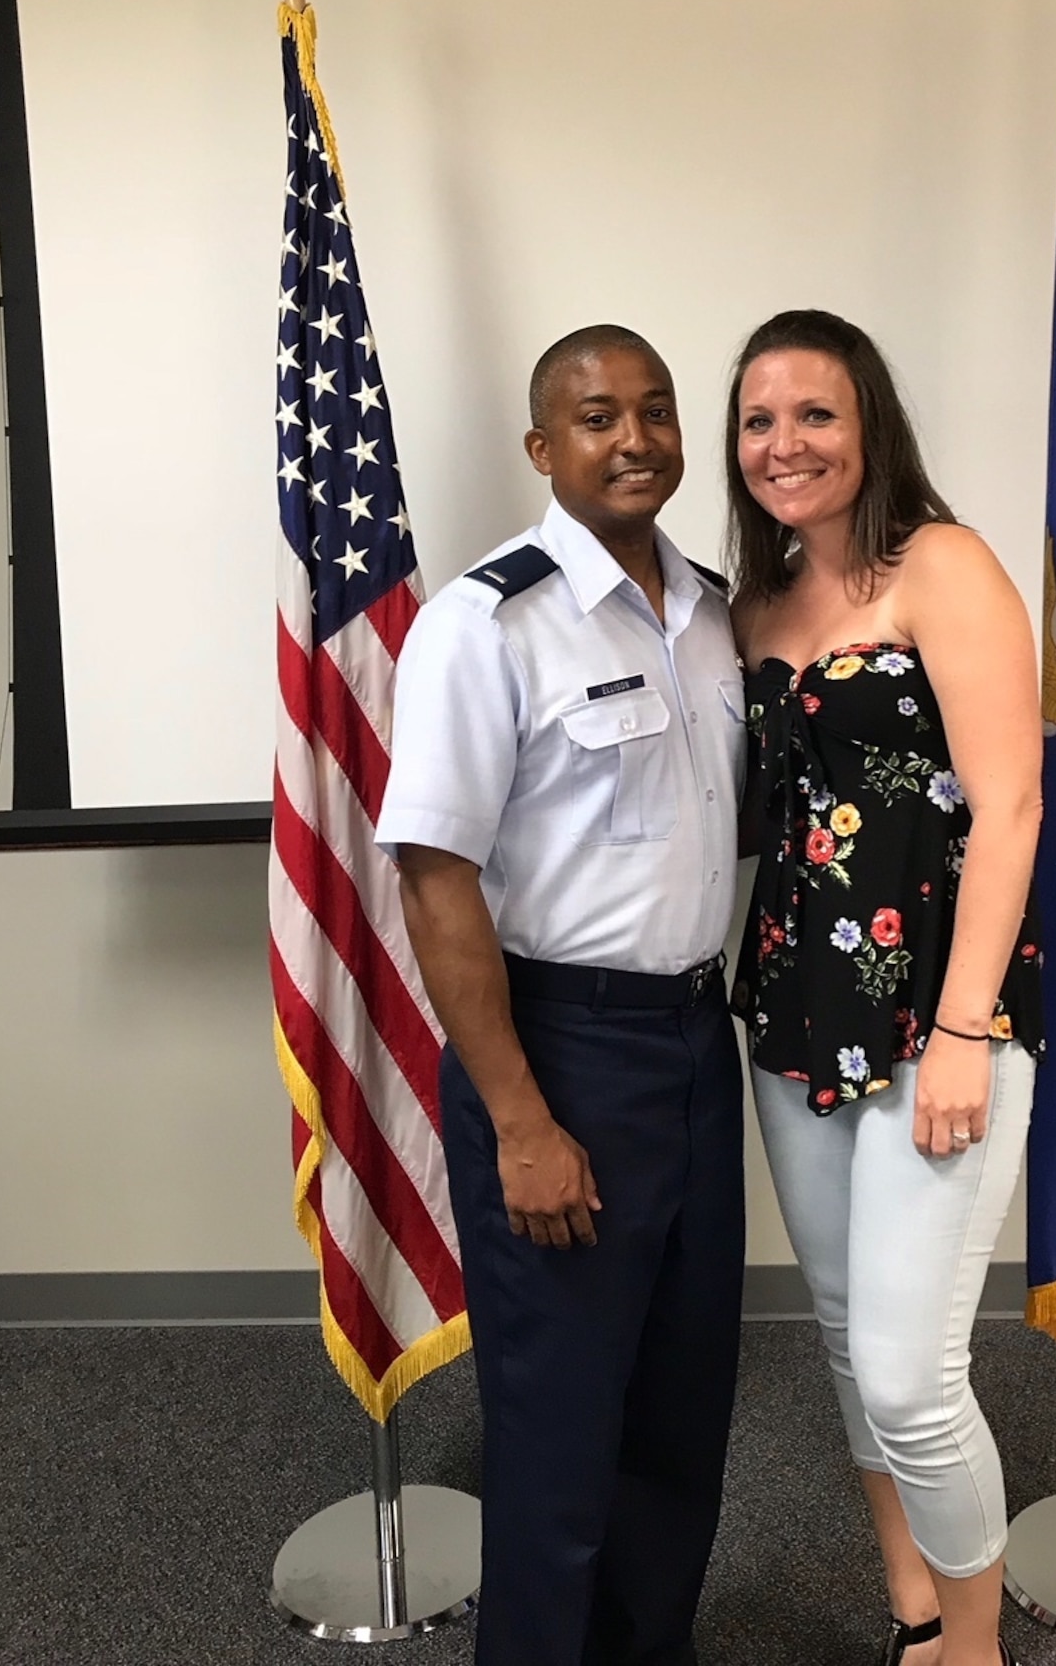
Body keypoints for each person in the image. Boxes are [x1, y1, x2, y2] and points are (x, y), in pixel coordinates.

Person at [375, 325, 747, 1666]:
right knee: (558, 1435)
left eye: (654, 411)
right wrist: (521, 1121)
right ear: (543, 448)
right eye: (596, 417)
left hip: (696, 1048)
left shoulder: (709, 612)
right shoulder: (487, 623)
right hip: (560, 1052)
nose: (633, 437)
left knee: (677, 1418)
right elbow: (435, 880)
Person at [726, 309, 1045, 1666]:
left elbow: (1013, 804)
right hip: (792, 1011)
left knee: (917, 1379)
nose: (782, 443)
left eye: (813, 414)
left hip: (938, 1012)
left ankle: (970, 1645)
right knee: (855, 1345)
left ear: (868, 427)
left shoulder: (943, 565)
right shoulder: (748, 605)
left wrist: (966, 1030)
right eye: (756, 420)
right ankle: (911, 1602)